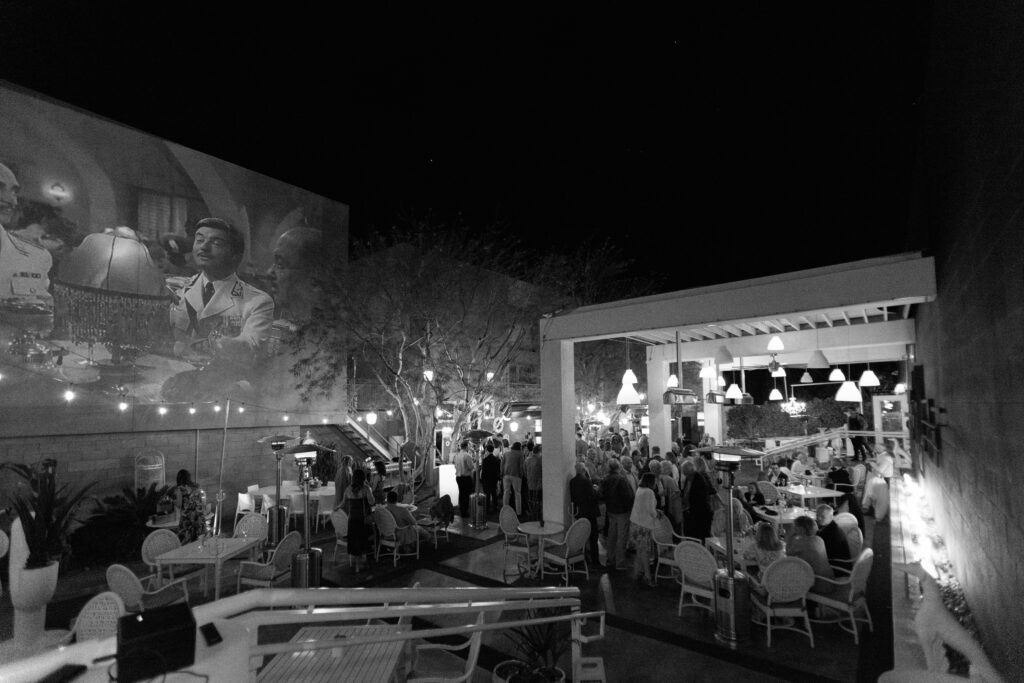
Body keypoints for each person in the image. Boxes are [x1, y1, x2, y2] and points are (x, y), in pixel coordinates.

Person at [168, 217, 273, 364]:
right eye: (199, 240)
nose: (204, 247)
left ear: (236, 256)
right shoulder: (176, 289)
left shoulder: (257, 302)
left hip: (223, 382)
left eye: (216, 243)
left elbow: (251, 347)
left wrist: (213, 344)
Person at [0, 162, 54, 316]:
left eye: (14, 192)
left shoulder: (36, 257)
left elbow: (42, 320)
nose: (12, 202)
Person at [786, 515, 835, 594]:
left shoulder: (800, 542)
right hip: (830, 581)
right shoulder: (819, 539)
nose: (793, 529)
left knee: (787, 574)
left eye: (795, 527)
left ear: (801, 528)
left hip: (818, 584)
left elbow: (788, 554)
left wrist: (790, 536)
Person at [600, 459, 634, 571]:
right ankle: (620, 562)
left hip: (611, 510)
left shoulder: (606, 479)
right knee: (622, 536)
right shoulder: (621, 479)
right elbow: (629, 496)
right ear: (618, 467)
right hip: (622, 511)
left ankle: (610, 558)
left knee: (612, 535)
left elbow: (601, 494)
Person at [341, 468, 376, 572]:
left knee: (354, 540)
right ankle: (361, 563)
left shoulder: (348, 489)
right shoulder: (366, 488)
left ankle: (355, 563)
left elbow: (343, 502)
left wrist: (336, 509)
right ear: (363, 478)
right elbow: (371, 502)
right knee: (364, 539)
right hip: (363, 519)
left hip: (352, 519)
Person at [629, 472, 661, 587]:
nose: (657, 483)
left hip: (635, 523)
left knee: (639, 550)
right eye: (655, 481)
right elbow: (651, 510)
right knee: (645, 552)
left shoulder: (640, 489)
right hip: (643, 525)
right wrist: (657, 514)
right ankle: (647, 577)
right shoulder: (649, 492)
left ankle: (637, 572)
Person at [569, 462, 602, 568]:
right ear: (584, 470)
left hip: (579, 512)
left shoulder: (572, 481)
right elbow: (592, 496)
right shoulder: (586, 481)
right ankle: (595, 561)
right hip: (590, 512)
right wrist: (596, 490)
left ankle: (584, 558)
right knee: (593, 537)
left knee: (582, 536)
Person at [681, 460, 713, 540]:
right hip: (690, 512)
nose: (686, 476)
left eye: (687, 474)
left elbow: (701, 499)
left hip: (699, 514)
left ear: (692, 471)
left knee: (698, 536)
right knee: (689, 535)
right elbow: (687, 492)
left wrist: (689, 508)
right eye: (684, 474)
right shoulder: (688, 478)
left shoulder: (699, 480)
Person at [174, 469, 205, 543]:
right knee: (199, 540)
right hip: (198, 516)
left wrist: (173, 503)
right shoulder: (197, 486)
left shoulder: (180, 489)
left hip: (187, 518)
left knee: (187, 541)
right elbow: (201, 500)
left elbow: (179, 505)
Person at [815, 504, 851, 568]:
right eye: (817, 515)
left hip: (836, 567)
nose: (819, 518)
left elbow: (820, 552)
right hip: (832, 561)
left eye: (822, 516)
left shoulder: (831, 532)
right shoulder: (830, 526)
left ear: (831, 517)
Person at [501, 441, 525, 515]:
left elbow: (502, 464)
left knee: (506, 492)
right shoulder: (520, 454)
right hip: (516, 475)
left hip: (506, 475)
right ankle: (518, 512)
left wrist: (501, 473)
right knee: (517, 493)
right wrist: (521, 475)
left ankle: (505, 510)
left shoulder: (506, 453)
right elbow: (521, 466)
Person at [454, 440, 476, 518]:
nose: (470, 447)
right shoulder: (467, 455)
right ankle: (465, 511)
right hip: (465, 477)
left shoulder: (457, 455)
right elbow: (471, 467)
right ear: (466, 446)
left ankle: (462, 509)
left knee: (461, 493)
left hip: (458, 477)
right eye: (469, 445)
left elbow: (455, 466)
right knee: (466, 495)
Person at [480, 442, 501, 514]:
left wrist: (482, 479)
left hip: (486, 479)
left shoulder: (485, 460)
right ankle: (495, 507)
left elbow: (483, 470)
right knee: (494, 493)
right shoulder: (497, 460)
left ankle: (487, 508)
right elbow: (498, 470)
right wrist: (498, 479)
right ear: (493, 450)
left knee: (487, 494)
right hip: (494, 479)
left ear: (487, 450)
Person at [524, 443, 543, 520]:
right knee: (539, 501)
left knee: (531, 500)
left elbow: (524, 471)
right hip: (539, 484)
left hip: (530, 483)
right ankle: (538, 517)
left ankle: (533, 516)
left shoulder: (527, 459)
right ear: (540, 451)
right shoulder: (540, 459)